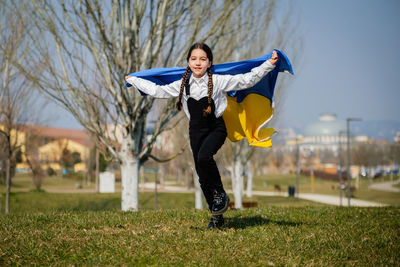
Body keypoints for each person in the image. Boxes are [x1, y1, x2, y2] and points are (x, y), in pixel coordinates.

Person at [125, 43, 278, 229]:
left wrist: (269, 64)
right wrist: (134, 80)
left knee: (205, 157)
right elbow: (158, 91)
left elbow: (246, 80)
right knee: (202, 176)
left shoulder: (219, 81)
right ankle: (217, 217)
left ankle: (221, 195)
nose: (198, 63)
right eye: (194, 59)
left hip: (216, 128)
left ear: (209, 62)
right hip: (195, 132)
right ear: (188, 62)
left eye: (202, 59)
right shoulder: (182, 84)